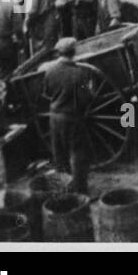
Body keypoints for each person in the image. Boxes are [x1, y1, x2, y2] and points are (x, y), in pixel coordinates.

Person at [42, 37, 95, 194]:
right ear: (74, 52)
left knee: (59, 155)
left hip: (54, 118)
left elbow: (47, 93)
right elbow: (86, 98)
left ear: (59, 52)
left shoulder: (50, 71)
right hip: (72, 118)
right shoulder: (79, 73)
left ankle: (63, 191)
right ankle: (80, 192)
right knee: (78, 154)